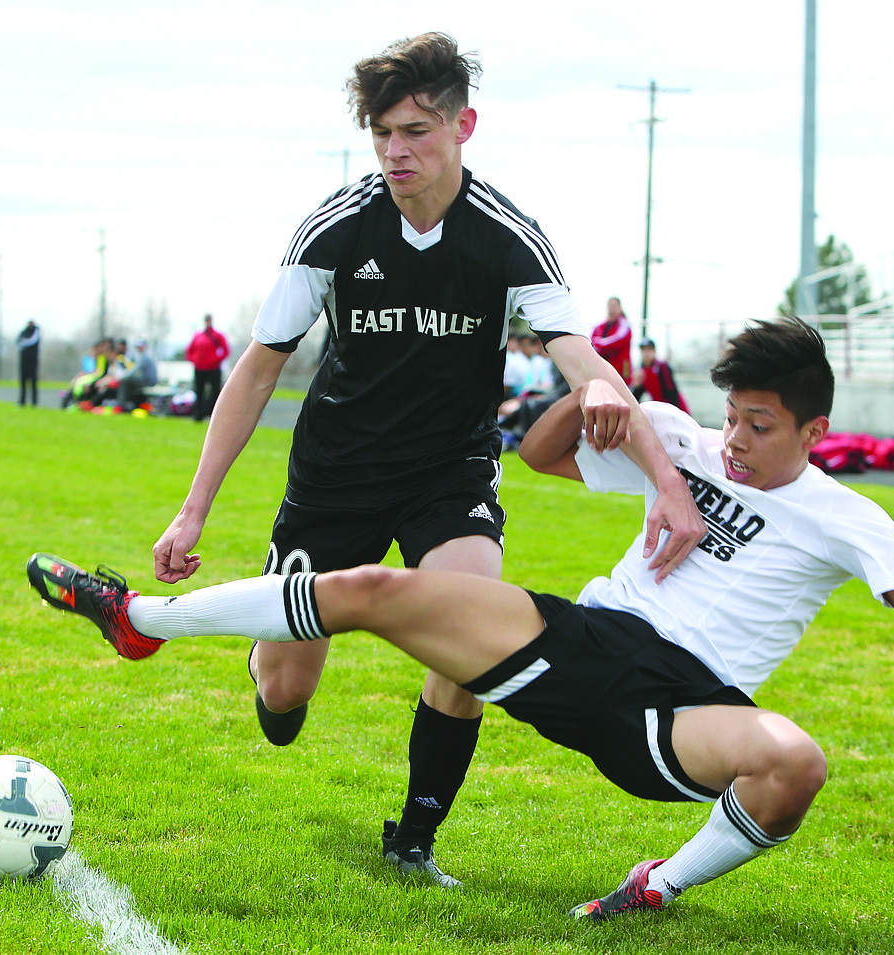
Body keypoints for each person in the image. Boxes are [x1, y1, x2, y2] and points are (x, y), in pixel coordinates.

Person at [26, 320, 894, 922]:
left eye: (761, 425)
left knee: (795, 759)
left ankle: (652, 890)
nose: (736, 441)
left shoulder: (849, 514)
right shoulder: (678, 440)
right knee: (379, 593)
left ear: (812, 429)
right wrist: (596, 385)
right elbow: (546, 455)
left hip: (681, 709)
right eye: (732, 416)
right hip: (577, 643)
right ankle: (141, 617)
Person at [149, 32, 703, 889]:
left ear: (463, 125)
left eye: (415, 131)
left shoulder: (508, 236)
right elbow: (257, 369)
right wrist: (193, 510)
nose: (396, 152)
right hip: (335, 478)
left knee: (472, 634)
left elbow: (585, 362)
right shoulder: (334, 230)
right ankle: (271, 670)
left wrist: (664, 480)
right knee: (287, 693)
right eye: (382, 134)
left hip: (449, 474)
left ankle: (414, 837)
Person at [185, 314, 230, 421]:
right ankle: (198, 414)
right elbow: (189, 351)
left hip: (213, 368)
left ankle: (213, 415)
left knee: (214, 391)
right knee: (199, 391)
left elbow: (225, 350)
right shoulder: (198, 336)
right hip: (200, 368)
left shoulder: (217, 336)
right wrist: (195, 360)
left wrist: (215, 360)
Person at [632, 339, 688, 413]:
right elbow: (637, 396)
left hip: (673, 408)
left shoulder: (662, 367)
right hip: (660, 409)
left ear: (654, 352)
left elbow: (672, 390)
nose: (646, 354)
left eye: (649, 350)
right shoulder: (641, 372)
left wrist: (676, 411)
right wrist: (636, 386)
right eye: (644, 350)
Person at [590, 296, 633, 385]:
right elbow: (591, 341)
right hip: (604, 373)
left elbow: (618, 340)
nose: (612, 309)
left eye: (614, 306)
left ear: (620, 308)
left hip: (621, 373)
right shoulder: (601, 326)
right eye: (610, 306)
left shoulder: (624, 325)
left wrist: (599, 343)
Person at [115, 338, 159, 413]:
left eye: (140, 346)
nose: (138, 348)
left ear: (144, 346)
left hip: (149, 381)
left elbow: (135, 370)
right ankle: (128, 404)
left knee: (126, 380)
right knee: (128, 382)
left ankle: (120, 405)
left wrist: (123, 377)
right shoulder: (140, 356)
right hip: (144, 380)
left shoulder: (145, 357)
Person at [16, 320, 40, 407]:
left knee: (33, 382)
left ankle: (34, 403)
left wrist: (23, 342)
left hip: (33, 361)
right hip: (23, 361)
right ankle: (22, 402)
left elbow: (31, 341)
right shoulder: (23, 332)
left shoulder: (36, 332)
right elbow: (17, 342)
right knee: (23, 382)